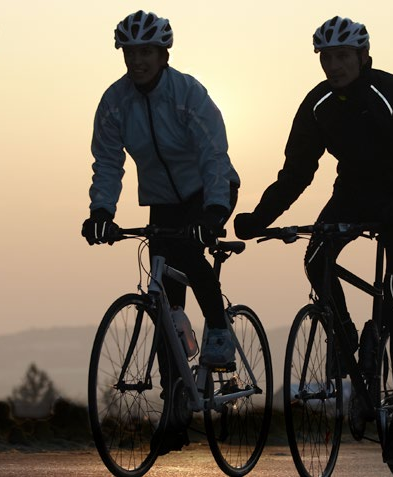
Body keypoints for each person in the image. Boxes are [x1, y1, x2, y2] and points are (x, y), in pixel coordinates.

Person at [233, 16, 393, 465]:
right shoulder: (318, 103)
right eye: (326, 57)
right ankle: (345, 338)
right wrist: (259, 217)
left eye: (343, 56)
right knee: (316, 259)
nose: (334, 64)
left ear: (364, 56)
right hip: (352, 196)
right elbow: (297, 173)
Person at [81, 9, 241, 452]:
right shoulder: (114, 102)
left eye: (146, 51)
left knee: (190, 257)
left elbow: (213, 153)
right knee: (166, 300)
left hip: (210, 189)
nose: (138, 60)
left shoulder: (188, 93)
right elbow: (108, 161)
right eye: (131, 52)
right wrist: (101, 210)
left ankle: (219, 329)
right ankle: (174, 412)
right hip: (161, 202)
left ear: (163, 53)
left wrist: (212, 213)